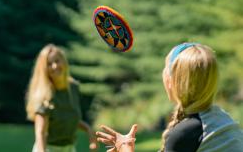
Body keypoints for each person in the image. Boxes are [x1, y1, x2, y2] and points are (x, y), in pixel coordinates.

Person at [95, 43, 243, 152]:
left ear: (173, 81)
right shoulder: (224, 121)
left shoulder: (186, 133)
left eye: (165, 69)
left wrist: (124, 149)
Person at [26, 44, 97, 152]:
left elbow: (68, 118)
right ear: (44, 68)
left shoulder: (73, 87)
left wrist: (88, 130)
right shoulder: (44, 94)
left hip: (69, 148)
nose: (54, 66)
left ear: (64, 61)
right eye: (49, 64)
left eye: (57, 61)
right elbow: (40, 133)